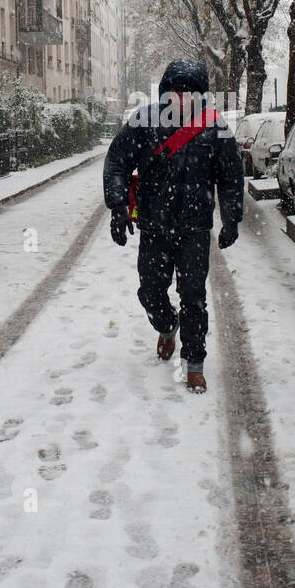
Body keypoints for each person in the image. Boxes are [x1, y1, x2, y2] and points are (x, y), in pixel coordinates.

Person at [103, 59, 244, 393]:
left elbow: (231, 176)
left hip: (195, 228)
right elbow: (117, 162)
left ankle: (194, 362)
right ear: (165, 91)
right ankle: (167, 326)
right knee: (150, 291)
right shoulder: (145, 122)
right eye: (176, 90)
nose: (182, 98)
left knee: (193, 297)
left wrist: (231, 218)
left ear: (200, 95)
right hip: (154, 226)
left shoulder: (214, 126)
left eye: (189, 91)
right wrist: (118, 207)